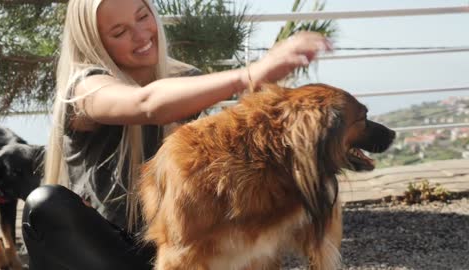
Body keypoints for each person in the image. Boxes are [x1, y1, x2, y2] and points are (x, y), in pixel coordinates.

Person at [21, 0, 332, 269]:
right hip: (99, 251)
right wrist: (248, 74)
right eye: (119, 32)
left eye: (142, 16)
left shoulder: (182, 79)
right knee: (46, 204)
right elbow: (146, 104)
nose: (142, 35)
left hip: (160, 252)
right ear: (95, 43)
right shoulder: (83, 88)